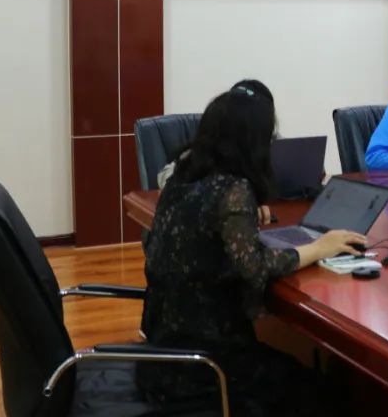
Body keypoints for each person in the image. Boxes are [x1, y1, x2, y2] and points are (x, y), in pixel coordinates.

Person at [140, 83, 366, 415]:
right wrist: (320, 248)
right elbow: (255, 266)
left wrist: (242, 217)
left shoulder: (182, 177)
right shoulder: (232, 189)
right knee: (323, 393)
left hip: (163, 349)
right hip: (205, 367)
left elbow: (209, 234)